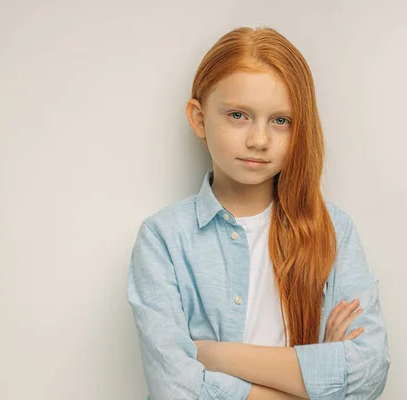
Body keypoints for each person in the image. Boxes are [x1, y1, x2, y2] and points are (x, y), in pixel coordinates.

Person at [127, 26, 390, 400]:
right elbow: (177, 390)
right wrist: (316, 379)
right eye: (238, 115)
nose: (259, 140)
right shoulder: (164, 239)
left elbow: (367, 372)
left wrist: (213, 356)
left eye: (281, 120)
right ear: (199, 119)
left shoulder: (334, 230)